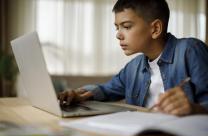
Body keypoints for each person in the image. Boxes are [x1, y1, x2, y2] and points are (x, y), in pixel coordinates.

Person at [58, 0, 208, 116]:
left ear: (155, 29)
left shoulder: (190, 50)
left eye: (127, 26)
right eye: (117, 27)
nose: (118, 34)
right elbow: (106, 90)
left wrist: (193, 109)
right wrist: (79, 94)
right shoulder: (133, 67)